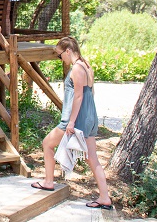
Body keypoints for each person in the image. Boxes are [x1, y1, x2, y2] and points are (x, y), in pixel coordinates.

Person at [32, 36, 112, 210]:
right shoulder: (87, 65)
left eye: (60, 55)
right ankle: (105, 197)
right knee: (92, 158)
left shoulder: (77, 68)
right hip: (90, 116)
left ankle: (48, 181)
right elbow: (90, 94)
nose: (61, 59)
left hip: (76, 118)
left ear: (68, 51)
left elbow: (78, 96)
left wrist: (71, 122)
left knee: (47, 143)